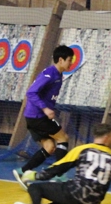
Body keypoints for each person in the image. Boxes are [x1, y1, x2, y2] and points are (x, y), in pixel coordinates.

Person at [12, 45, 74, 189]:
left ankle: (22, 171)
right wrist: (45, 108)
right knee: (63, 138)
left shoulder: (58, 75)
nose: (71, 63)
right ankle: (59, 175)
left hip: (34, 117)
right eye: (69, 60)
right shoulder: (50, 74)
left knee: (49, 147)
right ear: (60, 60)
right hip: (38, 116)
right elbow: (31, 92)